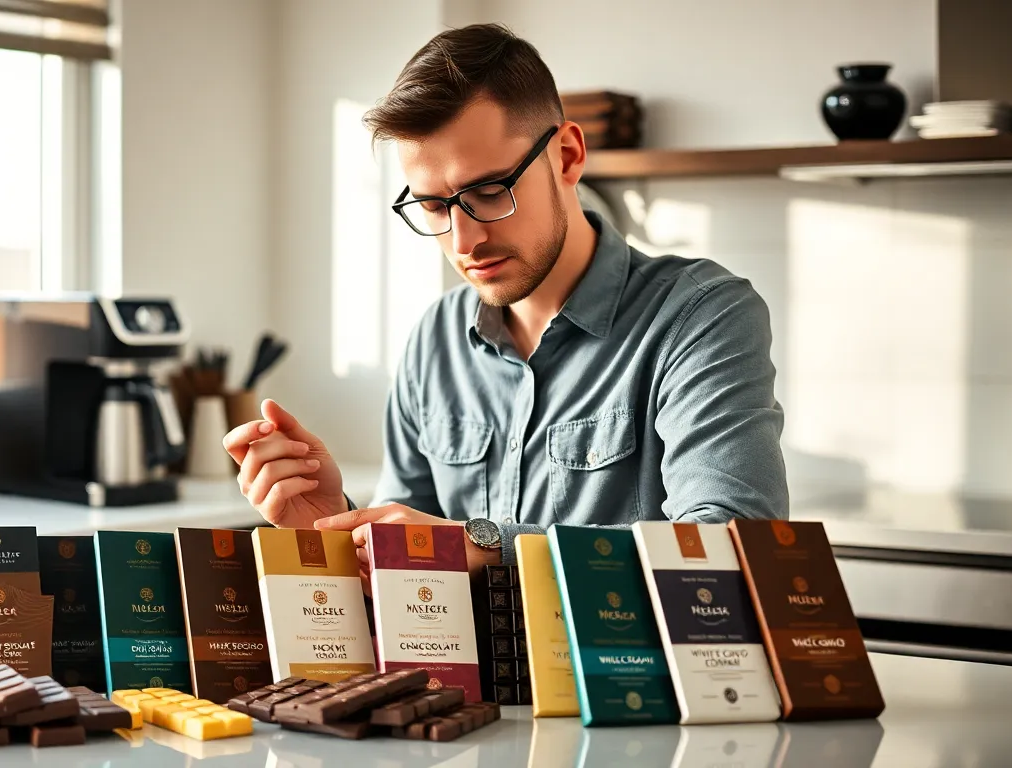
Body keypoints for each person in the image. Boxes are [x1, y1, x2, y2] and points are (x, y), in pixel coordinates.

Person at [222, 23, 787, 584]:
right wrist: (335, 526)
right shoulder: (435, 340)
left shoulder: (701, 316)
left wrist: (488, 546)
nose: (464, 241)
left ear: (566, 155)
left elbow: (731, 546)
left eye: (490, 192)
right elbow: (404, 577)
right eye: (433, 207)